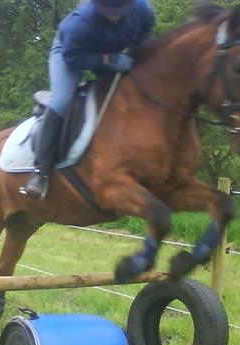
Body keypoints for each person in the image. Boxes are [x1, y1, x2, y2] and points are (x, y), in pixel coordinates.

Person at [21, 0, 156, 199]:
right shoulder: (80, 23)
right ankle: (40, 172)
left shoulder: (143, 9)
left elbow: (145, 35)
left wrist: (135, 57)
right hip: (71, 54)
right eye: (107, 11)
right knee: (62, 100)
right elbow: (74, 57)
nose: (114, 16)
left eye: (119, 10)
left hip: (113, 54)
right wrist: (110, 60)